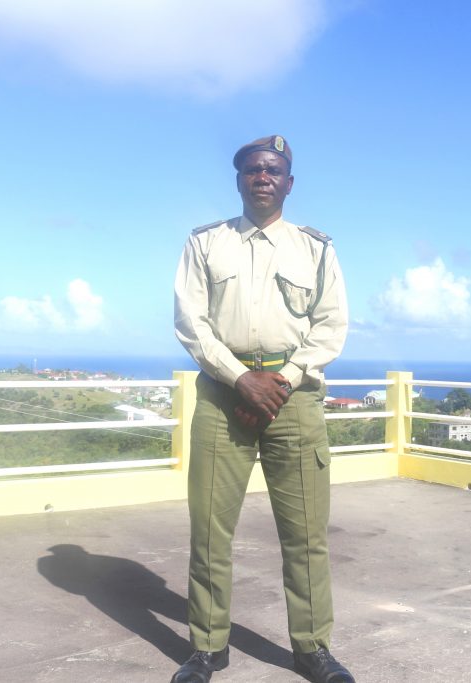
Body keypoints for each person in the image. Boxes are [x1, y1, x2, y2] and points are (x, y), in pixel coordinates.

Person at [172, 135, 353, 683]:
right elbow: (191, 322)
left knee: (305, 535)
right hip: (223, 395)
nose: (262, 177)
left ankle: (313, 649)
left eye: (273, 170)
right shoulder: (206, 243)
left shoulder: (315, 248)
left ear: (289, 183)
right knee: (209, 531)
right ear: (239, 180)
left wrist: (280, 381)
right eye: (253, 169)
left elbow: (330, 326)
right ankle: (207, 649)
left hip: (293, 398)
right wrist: (240, 379)